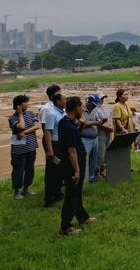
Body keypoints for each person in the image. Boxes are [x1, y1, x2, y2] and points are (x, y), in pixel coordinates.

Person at [58, 96, 97, 235]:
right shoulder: (68, 126)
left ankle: (83, 217)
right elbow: (71, 151)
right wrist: (76, 170)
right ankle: (65, 227)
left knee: (77, 192)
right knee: (71, 195)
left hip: (75, 160)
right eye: (81, 106)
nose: (82, 109)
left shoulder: (67, 123)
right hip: (73, 163)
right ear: (76, 108)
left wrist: (83, 125)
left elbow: (76, 138)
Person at [8, 95, 40, 199]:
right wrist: (20, 115)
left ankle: (26, 188)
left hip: (31, 147)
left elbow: (36, 126)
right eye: (25, 103)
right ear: (19, 105)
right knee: (18, 170)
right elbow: (21, 126)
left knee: (30, 169)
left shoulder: (30, 114)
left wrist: (24, 132)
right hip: (19, 150)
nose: (27, 104)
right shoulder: (12, 118)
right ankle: (17, 191)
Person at [43, 88, 66, 207]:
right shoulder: (51, 114)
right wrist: (50, 149)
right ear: (58, 101)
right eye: (64, 99)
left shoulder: (62, 113)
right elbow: (47, 132)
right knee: (52, 172)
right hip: (55, 144)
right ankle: (49, 199)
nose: (66, 101)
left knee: (60, 171)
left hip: (62, 144)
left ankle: (58, 193)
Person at [81, 96, 103, 183]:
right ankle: (84, 178)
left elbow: (97, 120)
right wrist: (94, 123)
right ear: (89, 102)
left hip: (94, 137)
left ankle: (91, 177)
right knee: (85, 159)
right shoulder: (81, 110)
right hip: (85, 138)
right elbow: (80, 123)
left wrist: (101, 121)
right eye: (93, 104)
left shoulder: (94, 111)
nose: (95, 106)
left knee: (93, 159)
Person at [93, 91, 113, 179]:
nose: (102, 100)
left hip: (108, 132)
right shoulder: (95, 109)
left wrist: (111, 126)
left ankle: (102, 170)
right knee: (100, 153)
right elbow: (98, 122)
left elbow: (110, 118)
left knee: (107, 152)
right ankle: (96, 171)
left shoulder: (105, 108)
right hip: (100, 132)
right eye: (100, 98)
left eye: (103, 98)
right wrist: (107, 127)